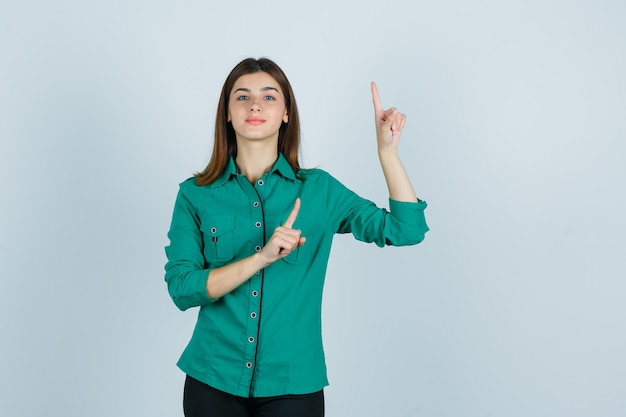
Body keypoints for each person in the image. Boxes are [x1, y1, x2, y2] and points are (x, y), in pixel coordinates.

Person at [164, 57, 429, 417]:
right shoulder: (195, 194)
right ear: (227, 113)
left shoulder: (319, 191)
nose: (255, 104)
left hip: (293, 384)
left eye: (269, 96)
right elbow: (182, 288)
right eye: (242, 97)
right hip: (213, 379)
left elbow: (406, 229)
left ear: (286, 112)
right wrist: (261, 258)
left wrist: (387, 152)